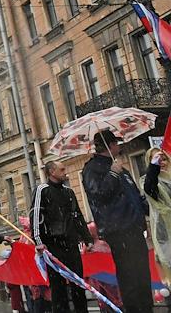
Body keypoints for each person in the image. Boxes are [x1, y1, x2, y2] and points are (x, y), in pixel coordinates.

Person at [81, 130, 152, 313]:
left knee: (142, 274)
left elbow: (134, 196)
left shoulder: (120, 168)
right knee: (129, 275)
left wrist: (150, 210)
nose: (119, 147)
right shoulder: (92, 169)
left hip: (134, 227)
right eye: (117, 143)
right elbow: (99, 195)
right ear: (110, 145)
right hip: (118, 229)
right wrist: (112, 173)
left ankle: (146, 308)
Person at [31, 160, 91, 313]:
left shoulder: (69, 192)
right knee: (58, 288)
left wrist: (87, 238)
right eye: (62, 169)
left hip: (71, 244)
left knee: (78, 284)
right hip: (53, 245)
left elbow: (77, 216)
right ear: (52, 172)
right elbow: (36, 216)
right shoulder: (42, 190)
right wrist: (38, 241)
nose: (66, 172)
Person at [144, 147, 171, 280]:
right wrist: (154, 168)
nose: (162, 162)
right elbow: (150, 189)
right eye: (157, 160)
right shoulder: (149, 181)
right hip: (165, 234)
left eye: (164, 159)